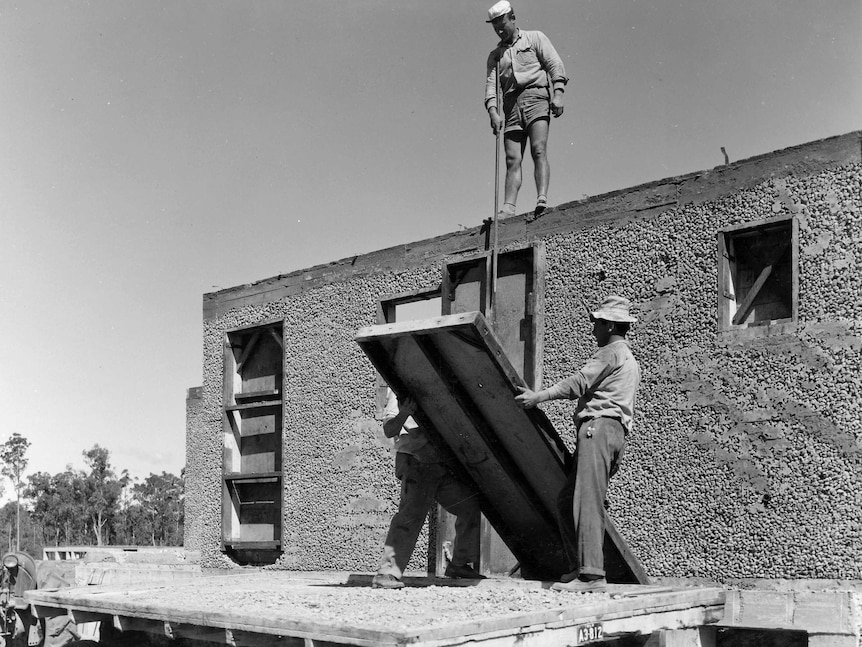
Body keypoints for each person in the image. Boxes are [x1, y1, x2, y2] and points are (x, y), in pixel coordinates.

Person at [514, 296, 640, 590]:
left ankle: (592, 576)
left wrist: (538, 397)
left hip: (598, 430)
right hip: (611, 433)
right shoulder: (628, 358)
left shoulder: (611, 352)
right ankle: (579, 567)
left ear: (609, 325)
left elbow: (579, 383)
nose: (593, 329)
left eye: (596, 323)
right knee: (567, 499)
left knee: (585, 501)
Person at [372, 388, 484, 589]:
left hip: (440, 464)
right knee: (409, 517)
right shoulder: (397, 389)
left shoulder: (435, 382)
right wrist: (405, 412)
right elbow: (389, 430)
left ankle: (459, 564)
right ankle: (386, 573)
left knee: (468, 506)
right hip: (417, 463)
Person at [485, 0, 567, 217]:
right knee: (512, 159)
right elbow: (491, 86)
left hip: (536, 97)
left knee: (538, 149)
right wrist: (493, 111)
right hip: (511, 106)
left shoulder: (535, 37)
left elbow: (554, 63)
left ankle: (541, 198)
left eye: (502, 24)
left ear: (512, 17)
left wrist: (558, 92)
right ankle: (508, 208)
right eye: (495, 27)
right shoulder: (495, 56)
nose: (499, 30)